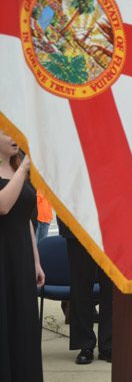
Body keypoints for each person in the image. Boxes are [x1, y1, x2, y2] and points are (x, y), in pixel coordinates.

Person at [0, 130, 44, 382]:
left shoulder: (18, 166)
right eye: (6, 133)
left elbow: (26, 218)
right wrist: (24, 167)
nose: (13, 138)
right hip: (3, 259)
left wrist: (36, 261)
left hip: (22, 259)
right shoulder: (21, 168)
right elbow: (4, 205)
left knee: (23, 324)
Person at [57, 218, 113, 364]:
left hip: (111, 222)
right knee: (80, 287)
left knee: (111, 288)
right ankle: (85, 345)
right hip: (77, 222)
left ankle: (109, 344)